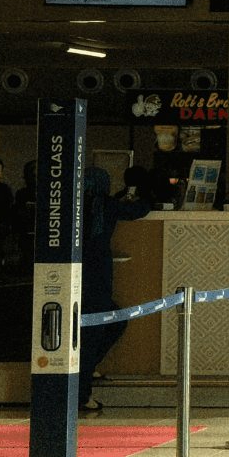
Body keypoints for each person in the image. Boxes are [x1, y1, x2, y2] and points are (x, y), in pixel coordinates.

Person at [78, 167, 151, 411]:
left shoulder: (73, 204)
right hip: (97, 270)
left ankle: (84, 371)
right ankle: (82, 390)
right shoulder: (105, 204)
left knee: (96, 325)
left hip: (75, 270)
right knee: (101, 326)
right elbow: (138, 210)